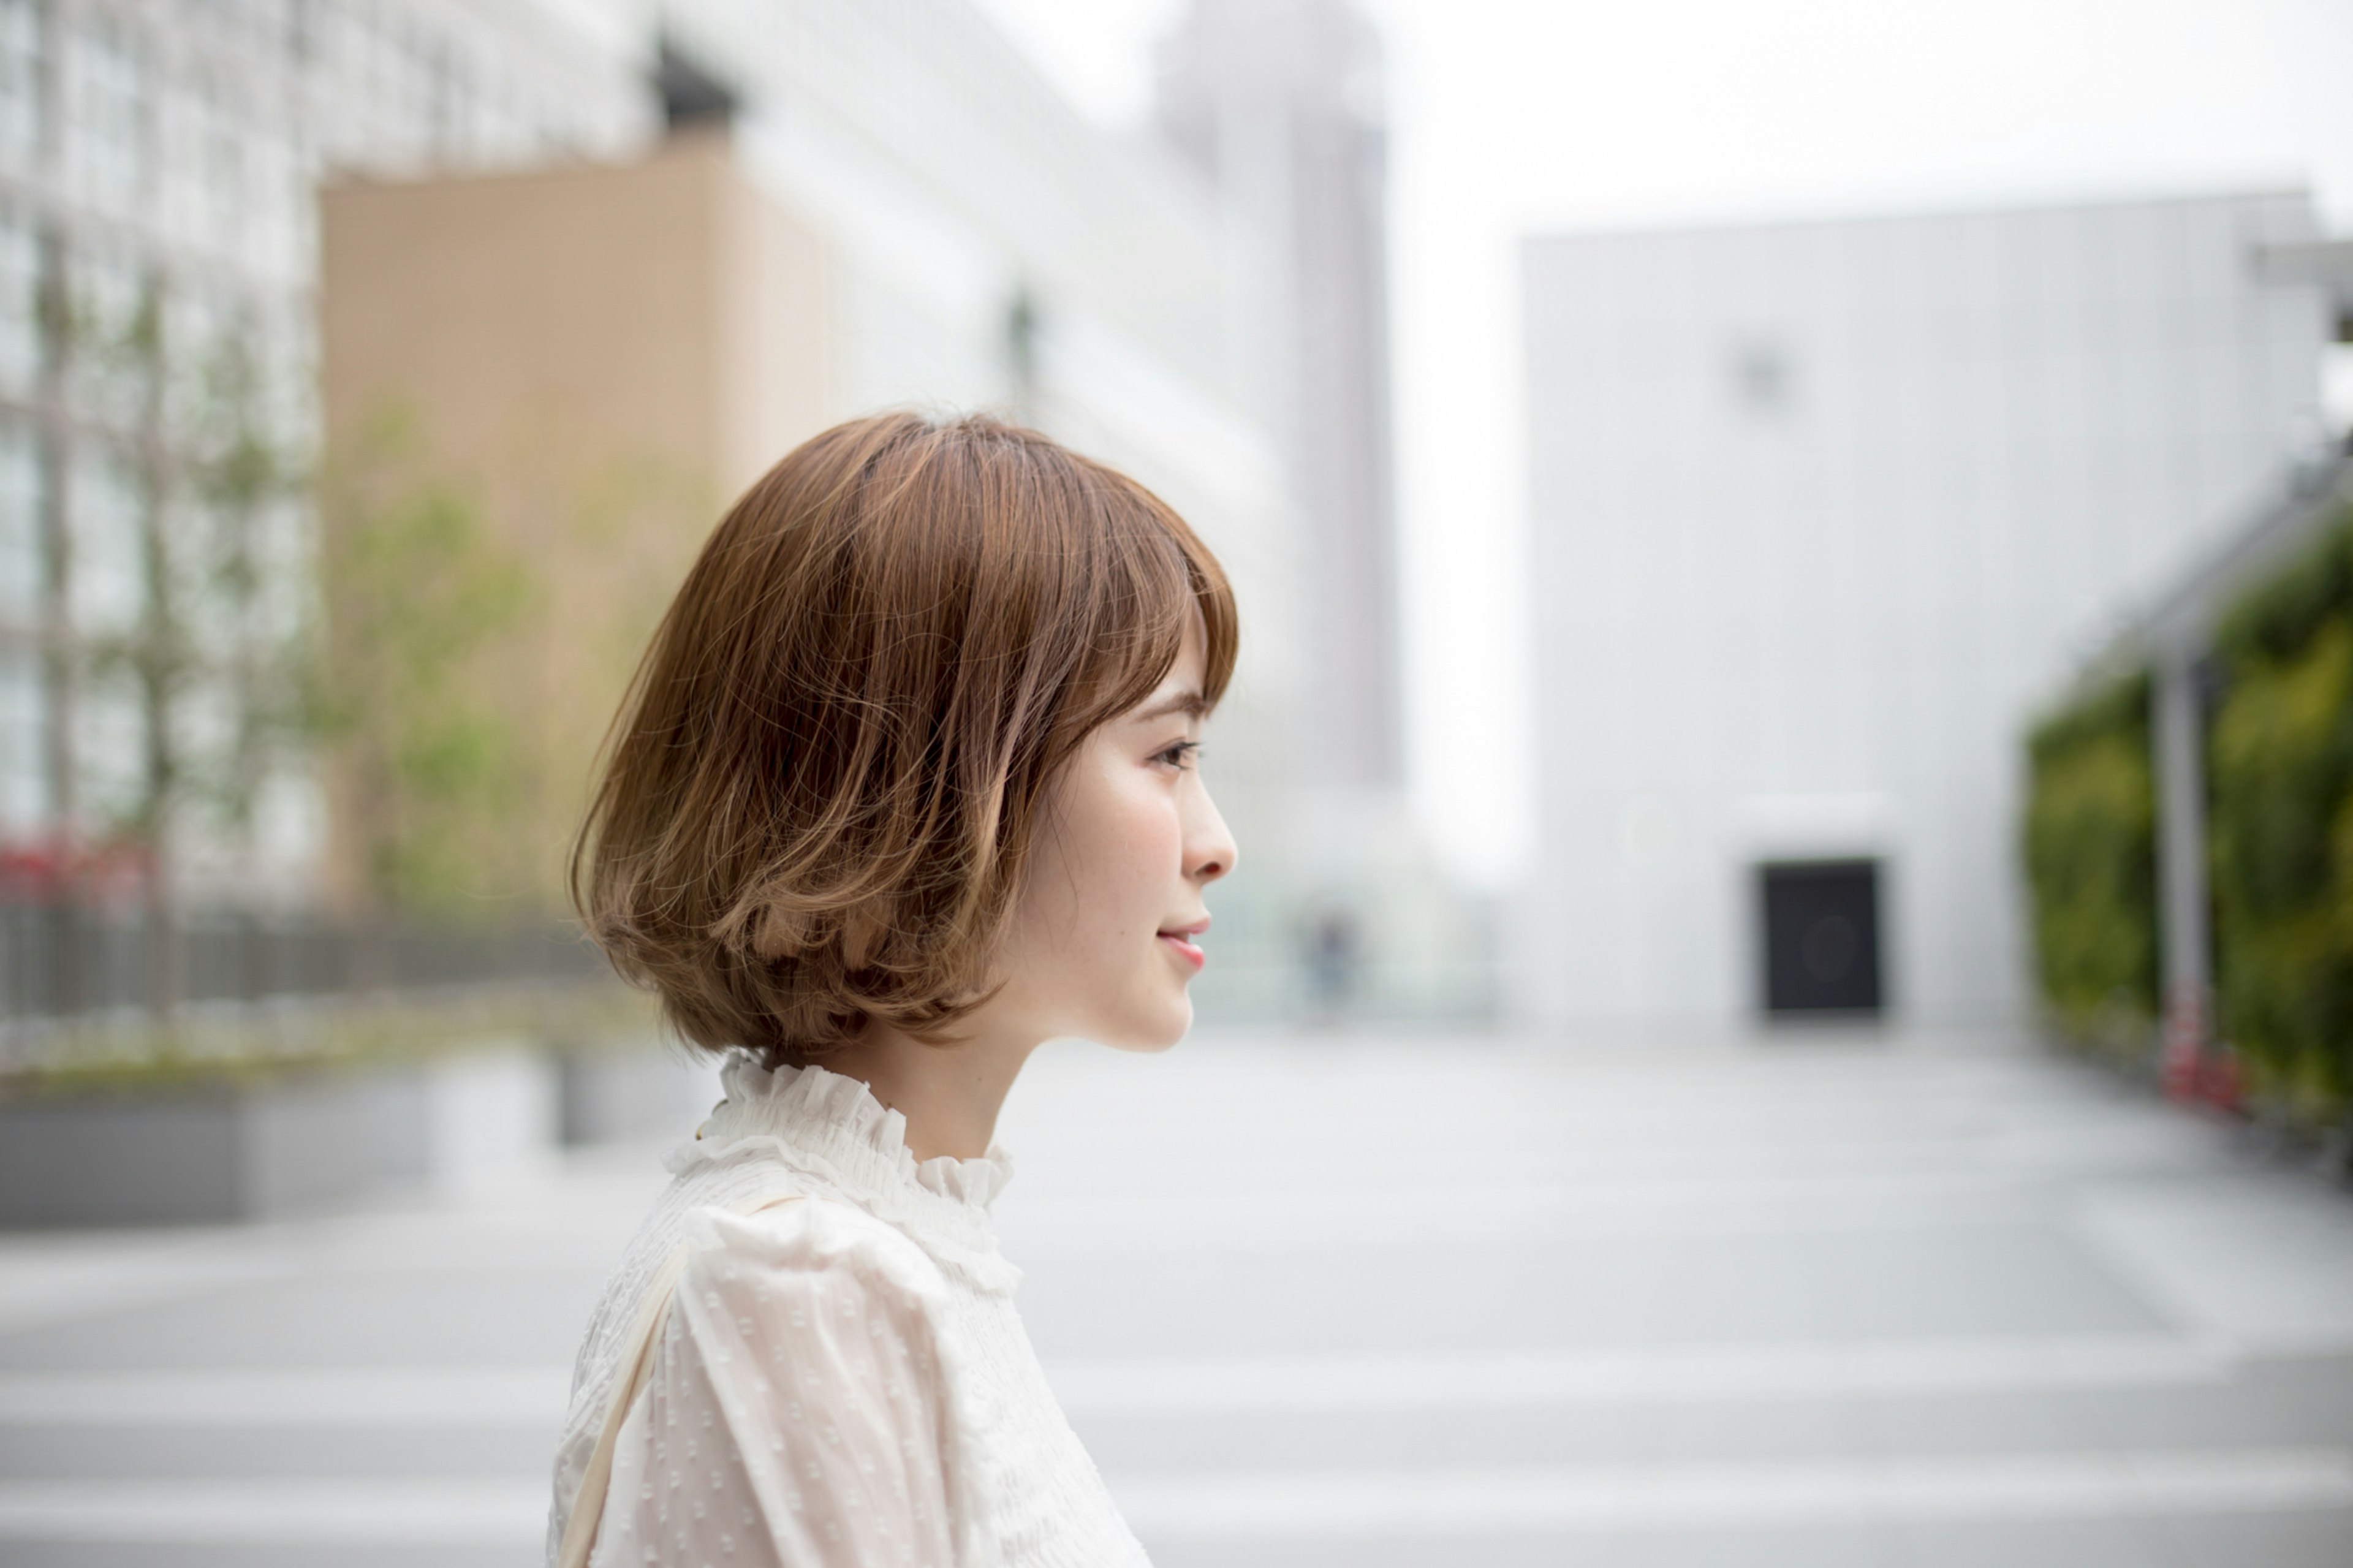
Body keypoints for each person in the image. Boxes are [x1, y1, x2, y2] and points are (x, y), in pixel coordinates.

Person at [544, 412, 1238, 1568]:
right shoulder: (800, 1294)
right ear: (916, 791)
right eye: (1166, 754)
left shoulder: (868, 1255)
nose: (1214, 843)